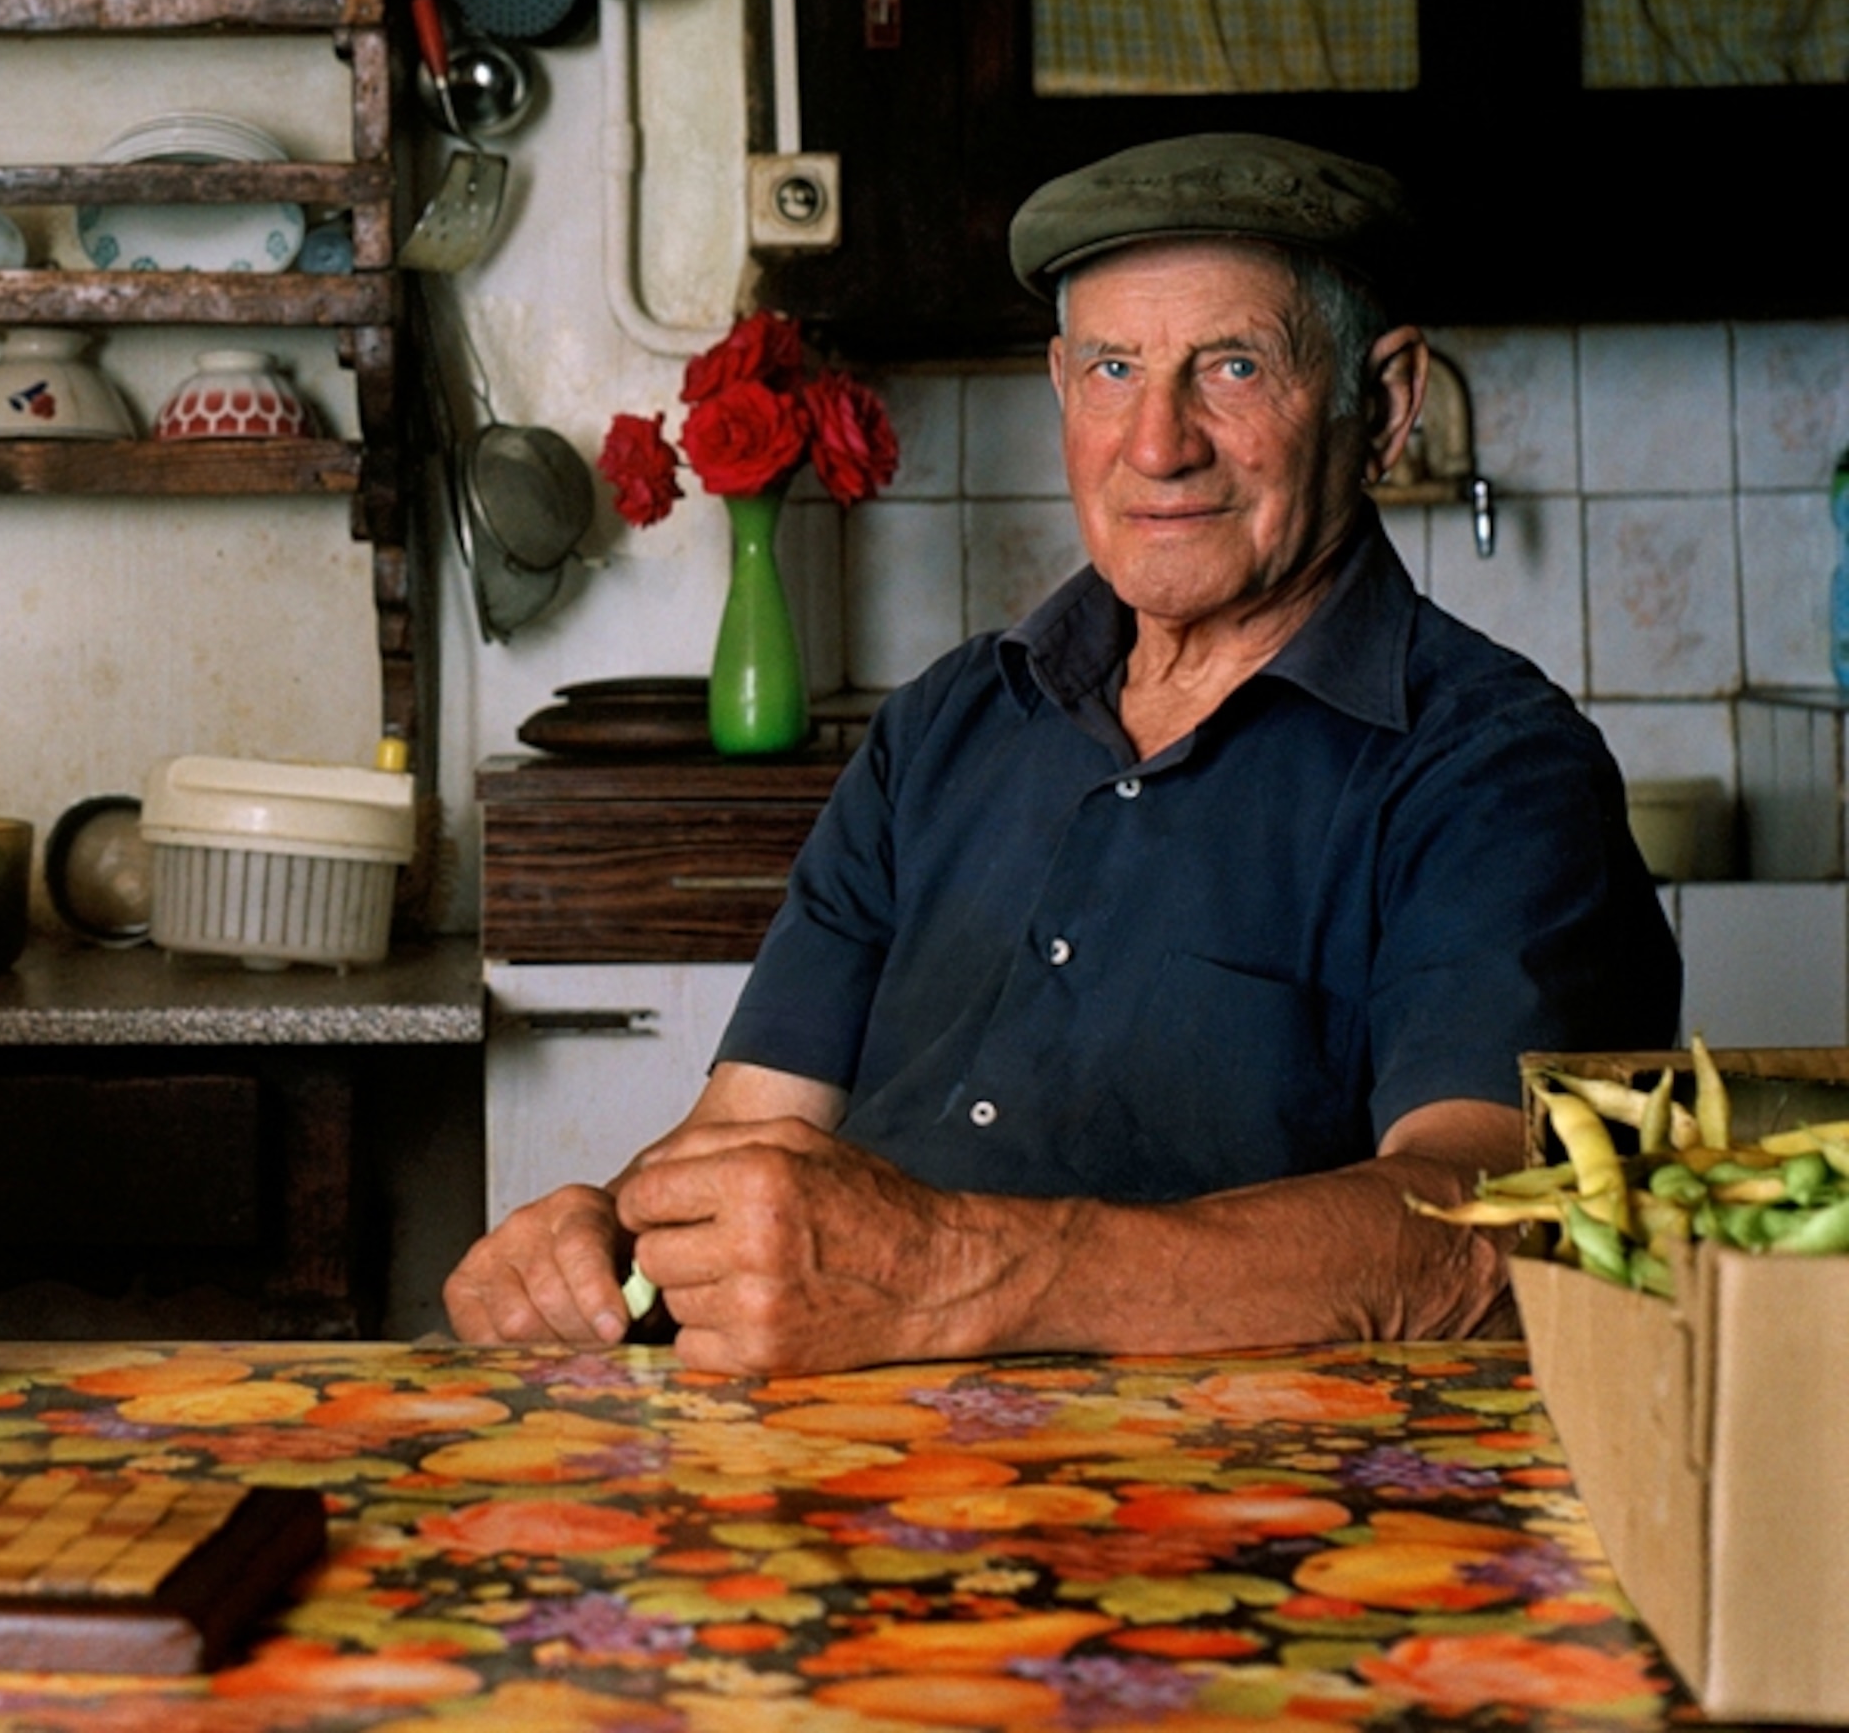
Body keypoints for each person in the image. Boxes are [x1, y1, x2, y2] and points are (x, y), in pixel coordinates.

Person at [447, 134, 1681, 1374]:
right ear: (1060, 386)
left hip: (1223, 1518)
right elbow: (745, 1127)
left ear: (1387, 402)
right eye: (1112, 369)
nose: (1157, 443)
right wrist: (594, 1235)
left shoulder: (1492, 771)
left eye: (1235, 367)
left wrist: (953, 1273)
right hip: (854, 1476)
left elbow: (1489, 1229)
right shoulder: (941, 726)